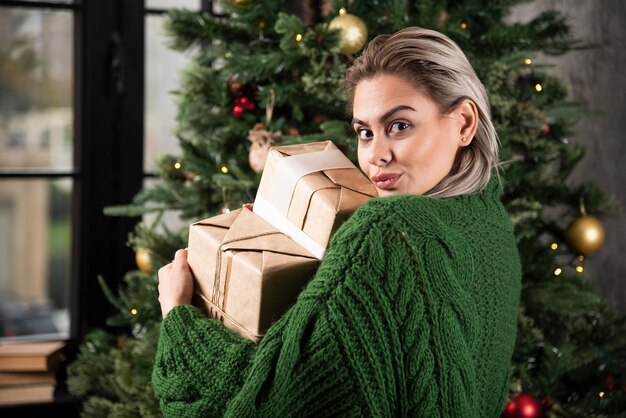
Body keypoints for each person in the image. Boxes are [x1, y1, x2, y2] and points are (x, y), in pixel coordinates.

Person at [152, 27, 521, 417]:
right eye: (364, 132)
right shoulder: (491, 222)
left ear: (464, 123)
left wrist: (180, 317)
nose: (376, 155)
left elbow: (265, 405)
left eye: (399, 126)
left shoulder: (390, 228)